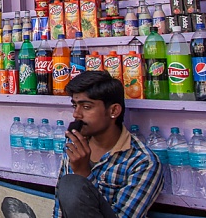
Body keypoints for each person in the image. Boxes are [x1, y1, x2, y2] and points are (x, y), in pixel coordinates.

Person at [53, 71, 163, 218]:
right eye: (75, 106)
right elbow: (59, 209)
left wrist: (83, 173)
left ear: (113, 110)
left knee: (72, 185)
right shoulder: (75, 144)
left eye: (86, 107)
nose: (76, 114)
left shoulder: (142, 162)